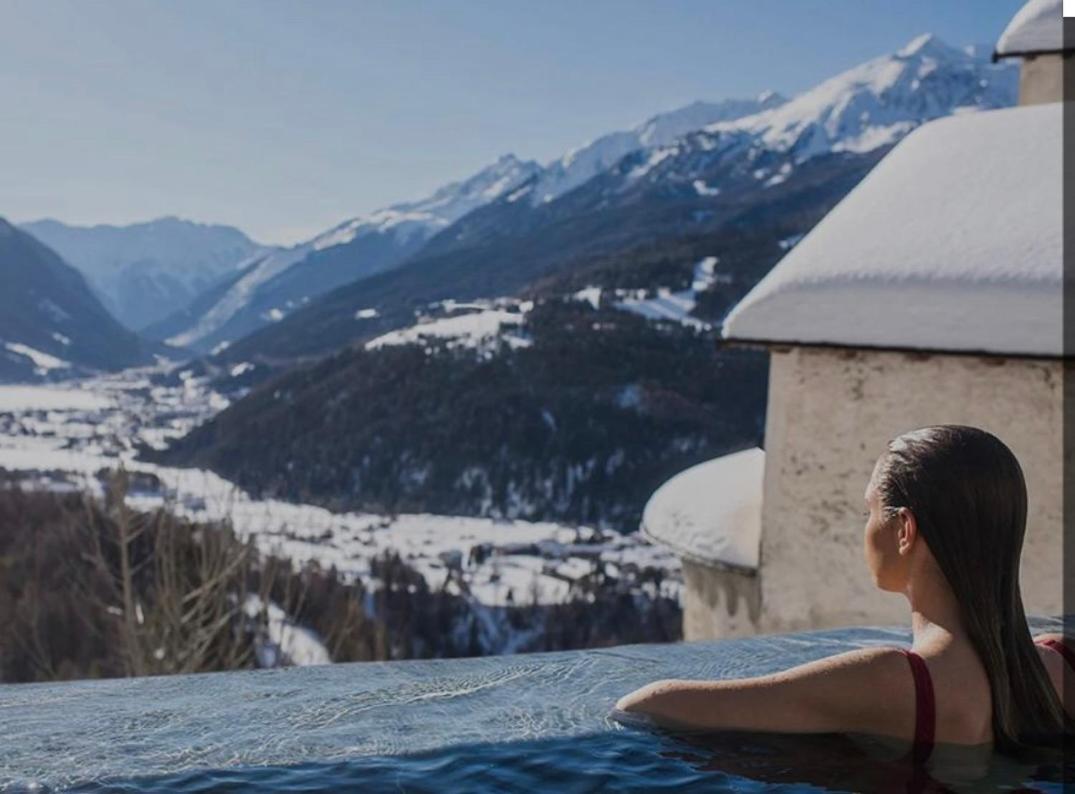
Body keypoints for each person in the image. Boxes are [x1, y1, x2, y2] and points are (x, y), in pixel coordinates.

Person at [616, 425, 1074, 768]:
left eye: (868, 510)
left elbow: (649, 706)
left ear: (904, 530)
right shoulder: (1061, 661)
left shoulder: (893, 682)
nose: (865, 528)